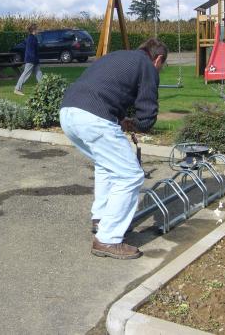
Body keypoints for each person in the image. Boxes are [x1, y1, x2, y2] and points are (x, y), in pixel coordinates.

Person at [60, 38, 168, 260]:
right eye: (161, 66)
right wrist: (136, 124)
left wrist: (121, 121)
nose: (159, 69)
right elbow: (147, 117)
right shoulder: (147, 66)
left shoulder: (117, 56)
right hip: (93, 118)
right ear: (157, 59)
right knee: (130, 175)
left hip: (68, 113)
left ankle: (101, 218)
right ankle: (107, 239)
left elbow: (108, 89)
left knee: (106, 165)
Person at [14, 23, 42, 95]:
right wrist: (34, 60)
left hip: (34, 60)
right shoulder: (31, 39)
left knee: (39, 73)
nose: (38, 30)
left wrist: (36, 61)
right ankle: (17, 89)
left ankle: (44, 87)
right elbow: (30, 51)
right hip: (31, 60)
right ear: (34, 30)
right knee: (26, 74)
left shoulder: (33, 38)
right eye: (37, 29)